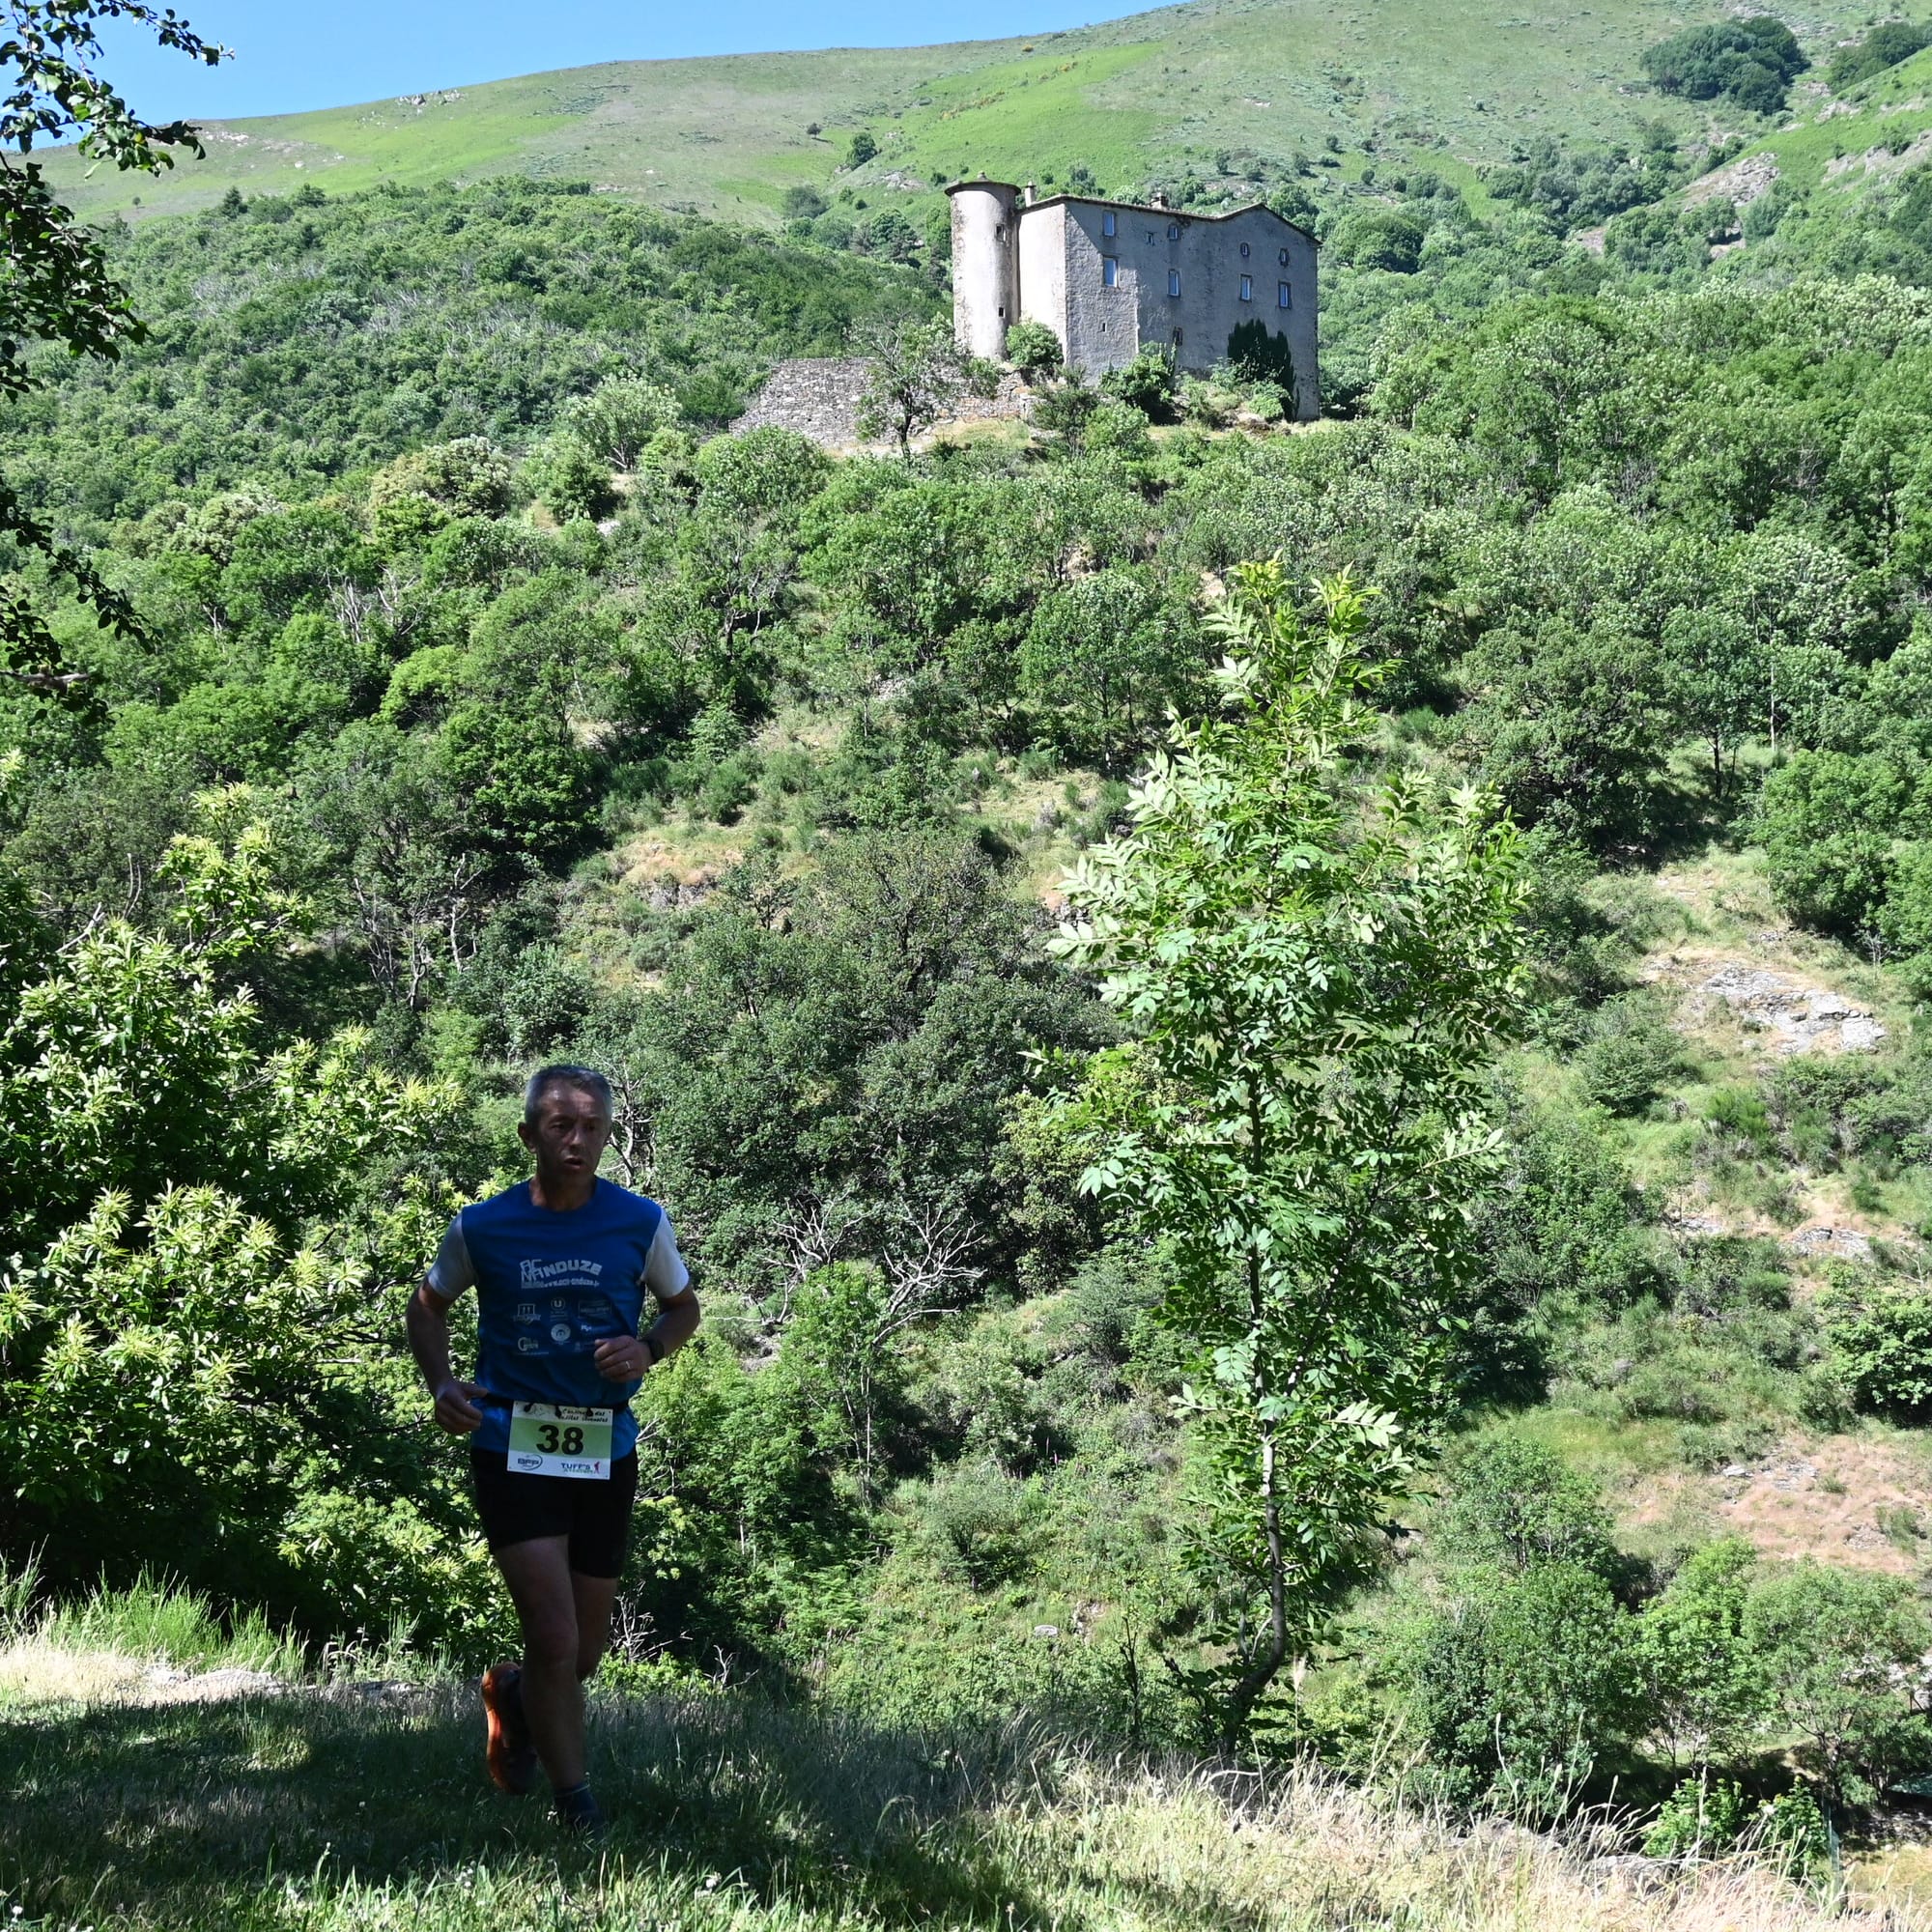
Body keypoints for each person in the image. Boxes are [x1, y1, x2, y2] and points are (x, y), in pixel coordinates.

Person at [406, 1063, 700, 1833]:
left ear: (608, 1134)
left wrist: (648, 1351)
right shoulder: (483, 1226)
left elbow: (682, 1309)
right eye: (561, 1126)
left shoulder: (640, 1221)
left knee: (584, 1653)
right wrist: (442, 1383)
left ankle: (512, 1695)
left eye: (593, 1128)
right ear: (529, 1133)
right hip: (512, 1440)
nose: (578, 1142)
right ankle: (577, 1806)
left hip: (605, 1447)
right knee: (556, 1634)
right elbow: (427, 1306)